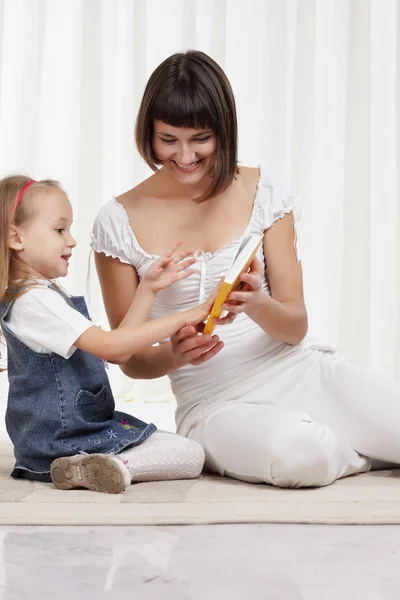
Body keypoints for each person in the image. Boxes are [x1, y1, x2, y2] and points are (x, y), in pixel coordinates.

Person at [92, 50, 400, 489]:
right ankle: (354, 452)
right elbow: (130, 359)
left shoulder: (264, 190)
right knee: (302, 457)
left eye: (200, 138)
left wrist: (257, 303)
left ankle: (342, 442)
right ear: (149, 132)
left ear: (224, 129)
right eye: (168, 139)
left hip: (297, 370)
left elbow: (295, 328)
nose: (183, 156)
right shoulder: (117, 220)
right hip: (214, 403)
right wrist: (174, 354)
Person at [0, 175, 211, 494]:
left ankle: (86, 467)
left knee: (177, 446)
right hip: (62, 440)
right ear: (16, 237)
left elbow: (120, 350)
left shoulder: (38, 295)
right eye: (59, 229)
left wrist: (148, 288)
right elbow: (112, 347)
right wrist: (188, 315)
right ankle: (103, 467)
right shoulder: (35, 301)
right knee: (190, 455)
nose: (71, 240)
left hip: (70, 434)